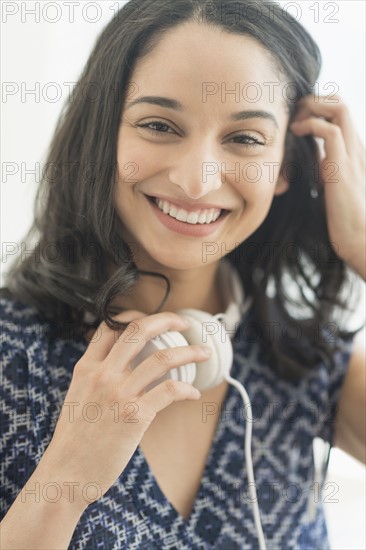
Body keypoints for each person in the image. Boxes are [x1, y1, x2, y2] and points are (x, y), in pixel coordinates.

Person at [1, 0, 365, 548]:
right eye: (159, 125)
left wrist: (361, 246)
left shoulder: (299, 357)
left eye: (244, 138)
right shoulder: (12, 353)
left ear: (286, 167)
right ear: (104, 136)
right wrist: (66, 481)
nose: (197, 181)